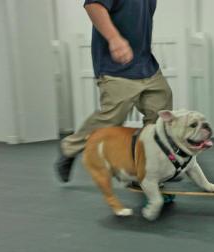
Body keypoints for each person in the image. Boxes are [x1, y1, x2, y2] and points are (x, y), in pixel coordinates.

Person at [55, 0, 172, 182]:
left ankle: (147, 165)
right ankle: (69, 147)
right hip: (116, 66)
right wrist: (114, 38)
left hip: (145, 64)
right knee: (112, 118)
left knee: (160, 111)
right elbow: (93, 5)